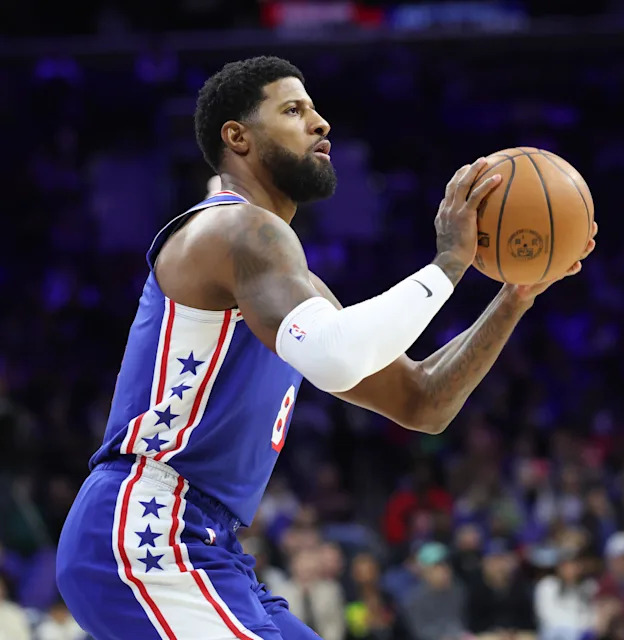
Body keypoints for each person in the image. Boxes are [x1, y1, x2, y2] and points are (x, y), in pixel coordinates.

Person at [55, 55, 596, 640]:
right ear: (236, 137)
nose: (321, 124)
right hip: (146, 529)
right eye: (293, 110)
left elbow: (423, 402)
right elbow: (335, 355)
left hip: (207, 540)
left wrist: (514, 299)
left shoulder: (294, 283)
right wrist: (449, 261)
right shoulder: (237, 231)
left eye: (315, 109)